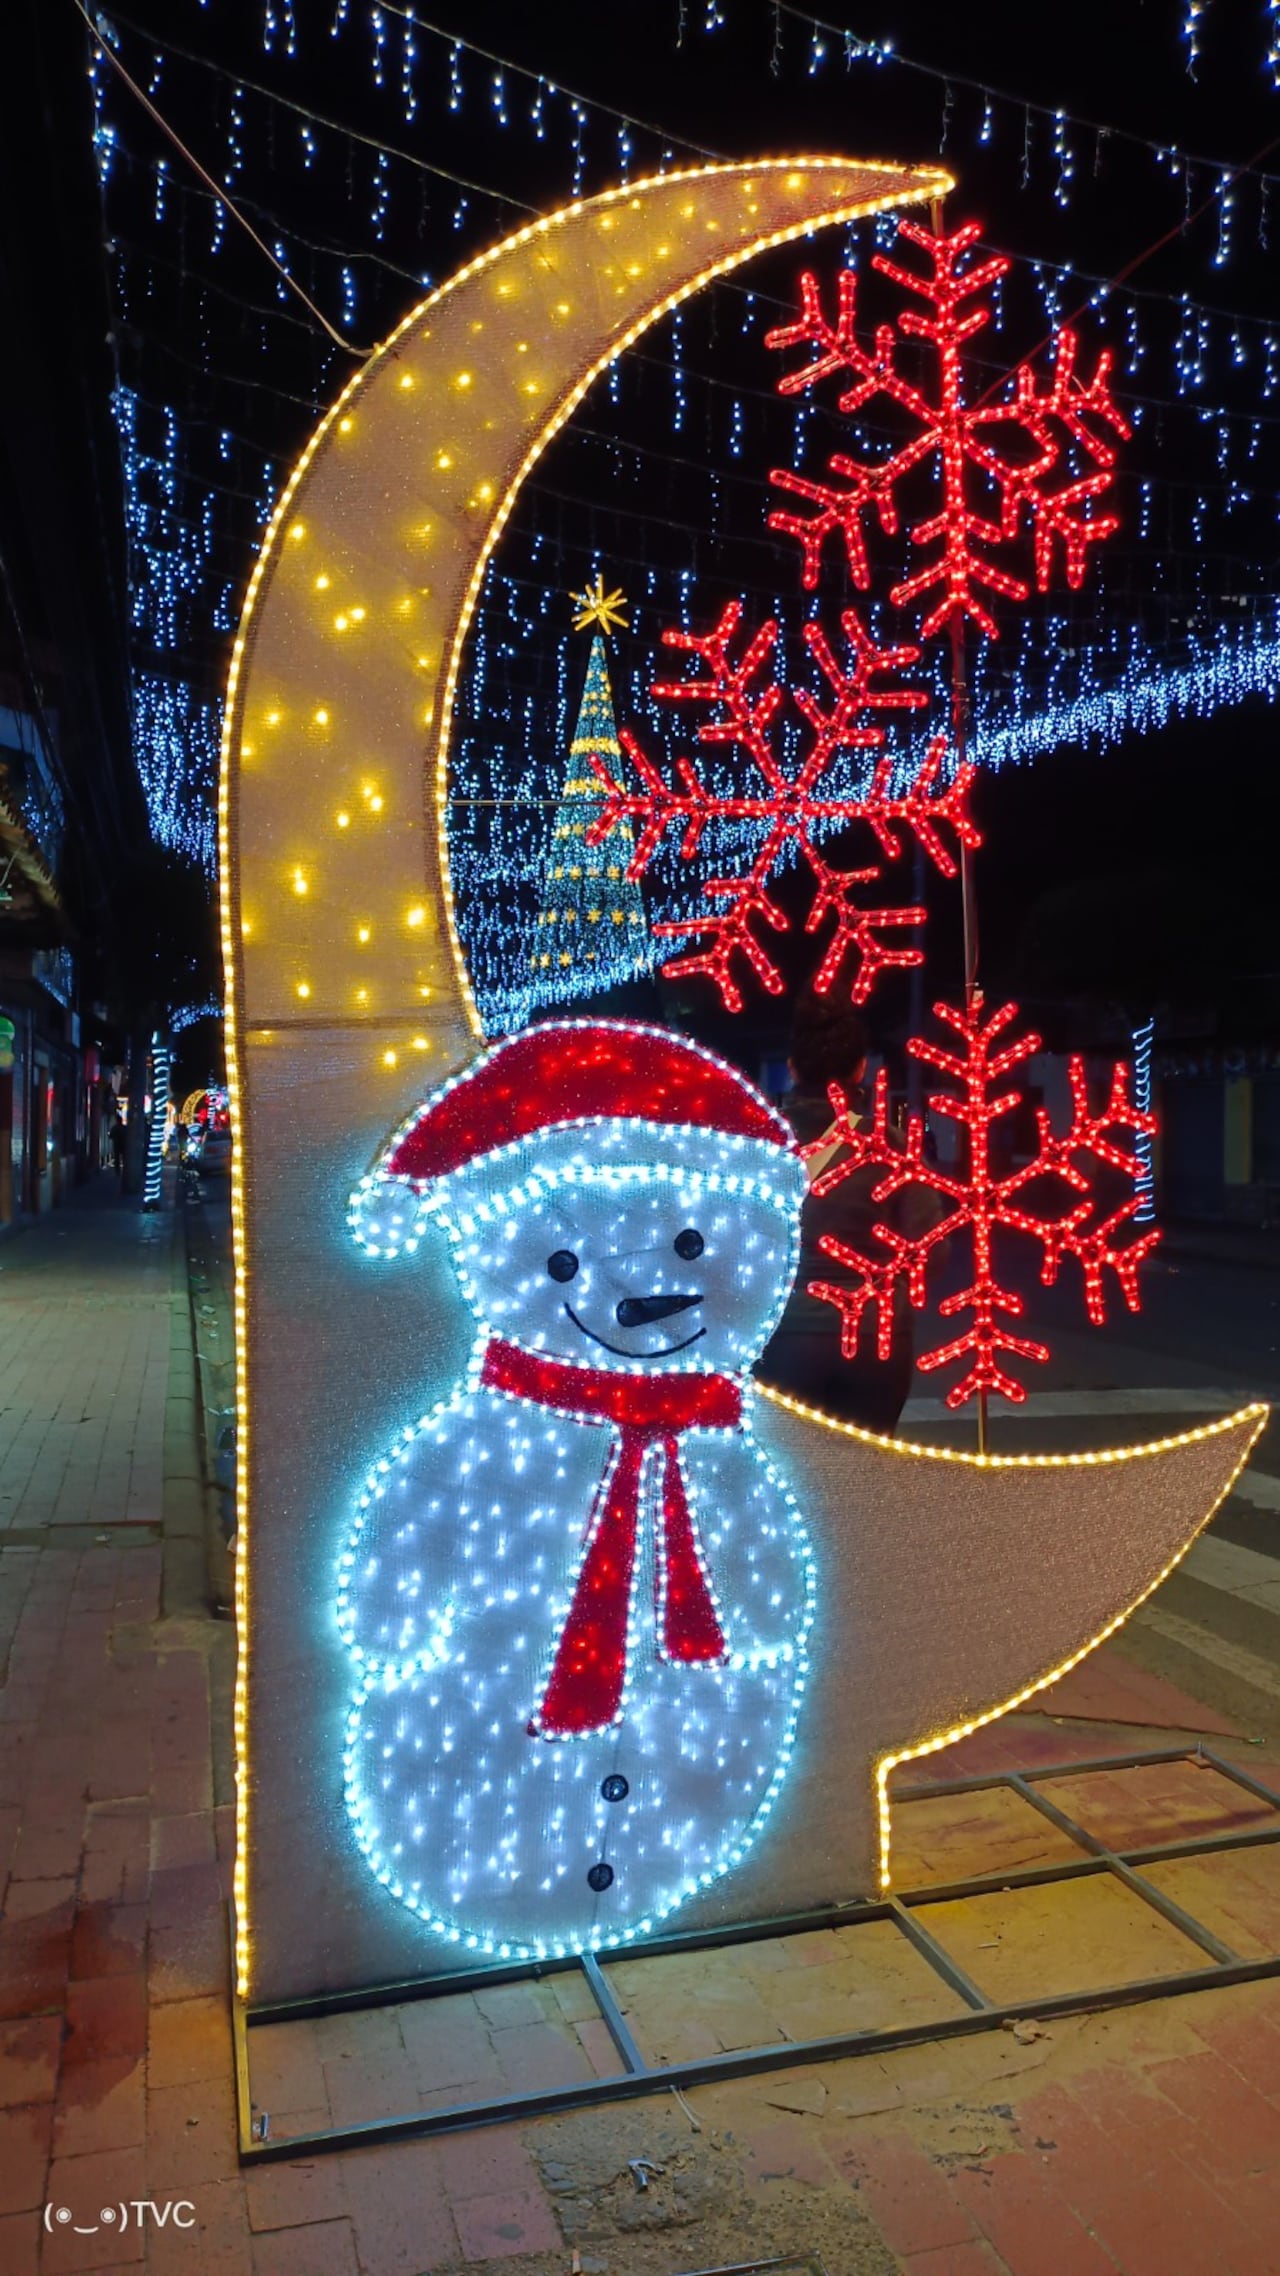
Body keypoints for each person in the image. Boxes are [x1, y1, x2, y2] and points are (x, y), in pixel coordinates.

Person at [760, 989, 934, 1435]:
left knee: (793, 1467)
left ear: (792, 1068)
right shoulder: (891, 1145)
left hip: (782, 1332)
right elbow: (930, 1246)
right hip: (877, 1336)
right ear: (861, 1069)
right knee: (866, 1467)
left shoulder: (761, 1146)